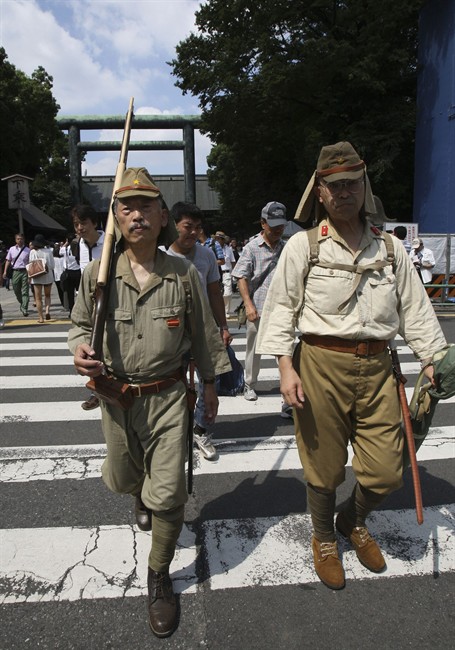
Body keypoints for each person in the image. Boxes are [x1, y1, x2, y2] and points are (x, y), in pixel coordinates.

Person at [256, 141, 446, 591]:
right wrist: (285, 366)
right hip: (320, 364)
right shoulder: (304, 247)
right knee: (323, 468)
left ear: (364, 186)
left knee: (386, 470)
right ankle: (324, 537)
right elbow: (281, 308)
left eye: (351, 184)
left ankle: (351, 519)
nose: (343, 192)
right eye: (334, 185)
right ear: (320, 192)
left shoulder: (391, 248)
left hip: (380, 367)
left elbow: (415, 309)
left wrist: (433, 360)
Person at [68, 167, 229, 638]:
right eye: (126, 207)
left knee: (170, 494)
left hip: (169, 398)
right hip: (115, 397)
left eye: (146, 207)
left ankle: (158, 574)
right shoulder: (99, 275)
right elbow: (78, 324)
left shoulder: (182, 273)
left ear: (162, 216)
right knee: (122, 478)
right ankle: (139, 491)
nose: (136, 215)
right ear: (115, 218)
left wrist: (213, 385)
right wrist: (79, 349)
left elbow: (202, 333)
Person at [167, 201, 233, 461]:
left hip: (203, 329)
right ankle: (175, 430)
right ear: (173, 226)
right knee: (173, 381)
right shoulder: (161, 255)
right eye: (187, 226)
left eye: (197, 227)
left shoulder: (206, 255)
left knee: (211, 380)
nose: (193, 232)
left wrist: (223, 325)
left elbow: (215, 293)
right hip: (171, 332)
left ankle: (202, 429)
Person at [232, 202, 291, 416]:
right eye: (273, 225)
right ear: (263, 223)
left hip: (282, 308)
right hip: (258, 306)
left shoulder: (287, 247)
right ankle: (249, 383)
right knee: (253, 349)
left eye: (281, 225)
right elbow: (241, 276)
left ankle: (288, 399)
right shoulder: (251, 247)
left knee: (284, 352)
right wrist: (248, 304)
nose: (278, 229)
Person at [71, 205, 105, 410]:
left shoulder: (110, 242)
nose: (79, 228)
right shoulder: (78, 246)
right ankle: (97, 389)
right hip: (87, 302)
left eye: (83, 223)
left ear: (94, 223)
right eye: (76, 224)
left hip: (108, 301)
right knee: (90, 345)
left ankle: (101, 388)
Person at [28, 234, 55, 323]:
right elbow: (52, 266)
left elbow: (31, 264)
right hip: (47, 276)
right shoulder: (49, 251)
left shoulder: (33, 252)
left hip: (37, 276)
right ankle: (47, 311)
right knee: (47, 295)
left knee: (38, 298)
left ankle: (41, 317)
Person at [2, 233, 30, 316]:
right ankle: (22, 303)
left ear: (24, 239)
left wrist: (30, 274)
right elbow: (8, 260)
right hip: (15, 271)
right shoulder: (11, 249)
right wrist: (5, 271)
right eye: (18, 239)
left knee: (25, 291)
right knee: (16, 289)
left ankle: (24, 308)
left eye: (21, 238)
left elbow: (30, 262)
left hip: (25, 271)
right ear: (15, 240)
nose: (20, 240)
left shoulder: (27, 250)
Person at [215, 231, 236, 316]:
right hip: (216, 273)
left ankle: (225, 311)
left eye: (219, 239)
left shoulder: (229, 249)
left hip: (227, 273)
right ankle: (219, 311)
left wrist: (234, 274)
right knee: (217, 293)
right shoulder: (213, 248)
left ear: (223, 240)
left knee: (227, 293)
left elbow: (233, 261)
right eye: (216, 239)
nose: (217, 240)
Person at [60, 234, 81, 315]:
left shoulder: (65, 249)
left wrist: (66, 243)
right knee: (79, 292)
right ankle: (79, 309)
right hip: (78, 272)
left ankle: (72, 310)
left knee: (70, 293)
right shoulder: (79, 248)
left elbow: (59, 251)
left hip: (69, 273)